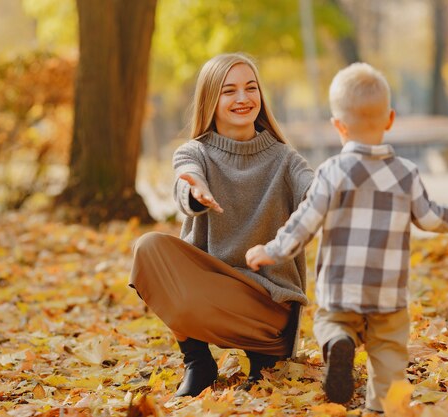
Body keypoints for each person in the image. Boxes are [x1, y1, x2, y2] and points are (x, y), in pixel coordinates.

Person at [246, 62, 448, 411]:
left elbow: (305, 222)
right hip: (389, 297)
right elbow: (429, 219)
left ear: (339, 126)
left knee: (330, 324)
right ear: (390, 119)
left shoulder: (332, 172)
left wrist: (272, 250)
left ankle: (339, 341)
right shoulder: (406, 174)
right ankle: (380, 408)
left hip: (341, 292)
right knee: (389, 360)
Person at [129, 53, 314, 397]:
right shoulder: (195, 152)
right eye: (229, 91)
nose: (243, 99)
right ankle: (198, 363)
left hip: (267, 306)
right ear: (210, 100)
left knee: (188, 292)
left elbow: (315, 189)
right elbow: (186, 178)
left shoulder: (286, 160)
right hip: (212, 290)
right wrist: (196, 191)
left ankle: (265, 359)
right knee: (148, 247)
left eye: (251, 88)